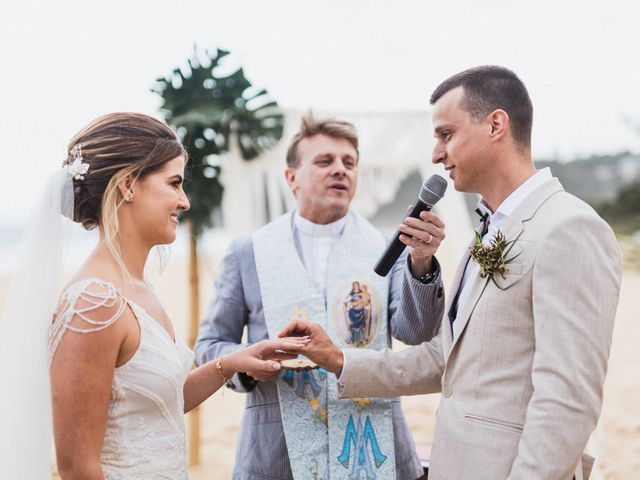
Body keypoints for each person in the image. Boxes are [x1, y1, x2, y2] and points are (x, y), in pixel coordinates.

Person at [279, 66, 622, 480]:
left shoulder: (568, 228)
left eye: (446, 135)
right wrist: (336, 359)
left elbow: (567, 399)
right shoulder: (491, 230)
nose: (436, 154)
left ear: (496, 124)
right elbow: (446, 358)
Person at [0, 112, 306, 479]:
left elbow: (160, 406)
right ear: (128, 184)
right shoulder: (93, 305)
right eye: (174, 183)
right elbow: (77, 468)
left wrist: (234, 362)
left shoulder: (139, 289)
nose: (185, 201)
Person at [194, 113, 446, 480]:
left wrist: (421, 263)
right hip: (276, 456)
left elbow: (418, 332)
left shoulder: (386, 249)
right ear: (291, 177)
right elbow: (210, 345)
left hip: (378, 450)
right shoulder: (248, 253)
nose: (340, 170)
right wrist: (246, 363)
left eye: (349, 163)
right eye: (324, 161)